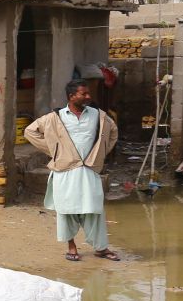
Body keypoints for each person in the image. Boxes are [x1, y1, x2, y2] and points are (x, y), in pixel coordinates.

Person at [24, 80, 120, 262]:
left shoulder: (98, 115)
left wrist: (100, 152)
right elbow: (30, 132)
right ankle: (71, 246)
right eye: (84, 94)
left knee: (95, 210)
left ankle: (101, 248)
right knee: (66, 211)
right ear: (71, 96)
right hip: (64, 171)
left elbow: (113, 131)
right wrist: (55, 150)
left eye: (88, 93)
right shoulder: (55, 117)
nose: (88, 97)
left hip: (89, 170)